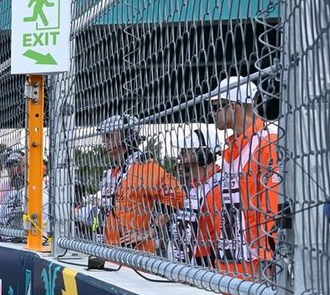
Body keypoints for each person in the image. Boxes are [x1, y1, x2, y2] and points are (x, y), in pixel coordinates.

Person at [209, 76, 281, 279]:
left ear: (233, 106)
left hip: (259, 265)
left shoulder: (268, 140)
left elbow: (272, 207)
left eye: (216, 108)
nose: (213, 114)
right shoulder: (232, 148)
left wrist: (268, 258)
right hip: (233, 259)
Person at [96, 114, 182, 254]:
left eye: (109, 135)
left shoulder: (143, 166)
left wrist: (150, 231)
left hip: (136, 255)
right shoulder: (115, 171)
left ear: (126, 136)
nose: (104, 140)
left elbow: (176, 194)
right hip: (112, 251)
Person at [169, 128, 252, 268]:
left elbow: (222, 239)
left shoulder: (218, 188)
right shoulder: (197, 186)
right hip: (190, 262)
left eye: (188, 150)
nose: (182, 153)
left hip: (207, 264)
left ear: (204, 153)